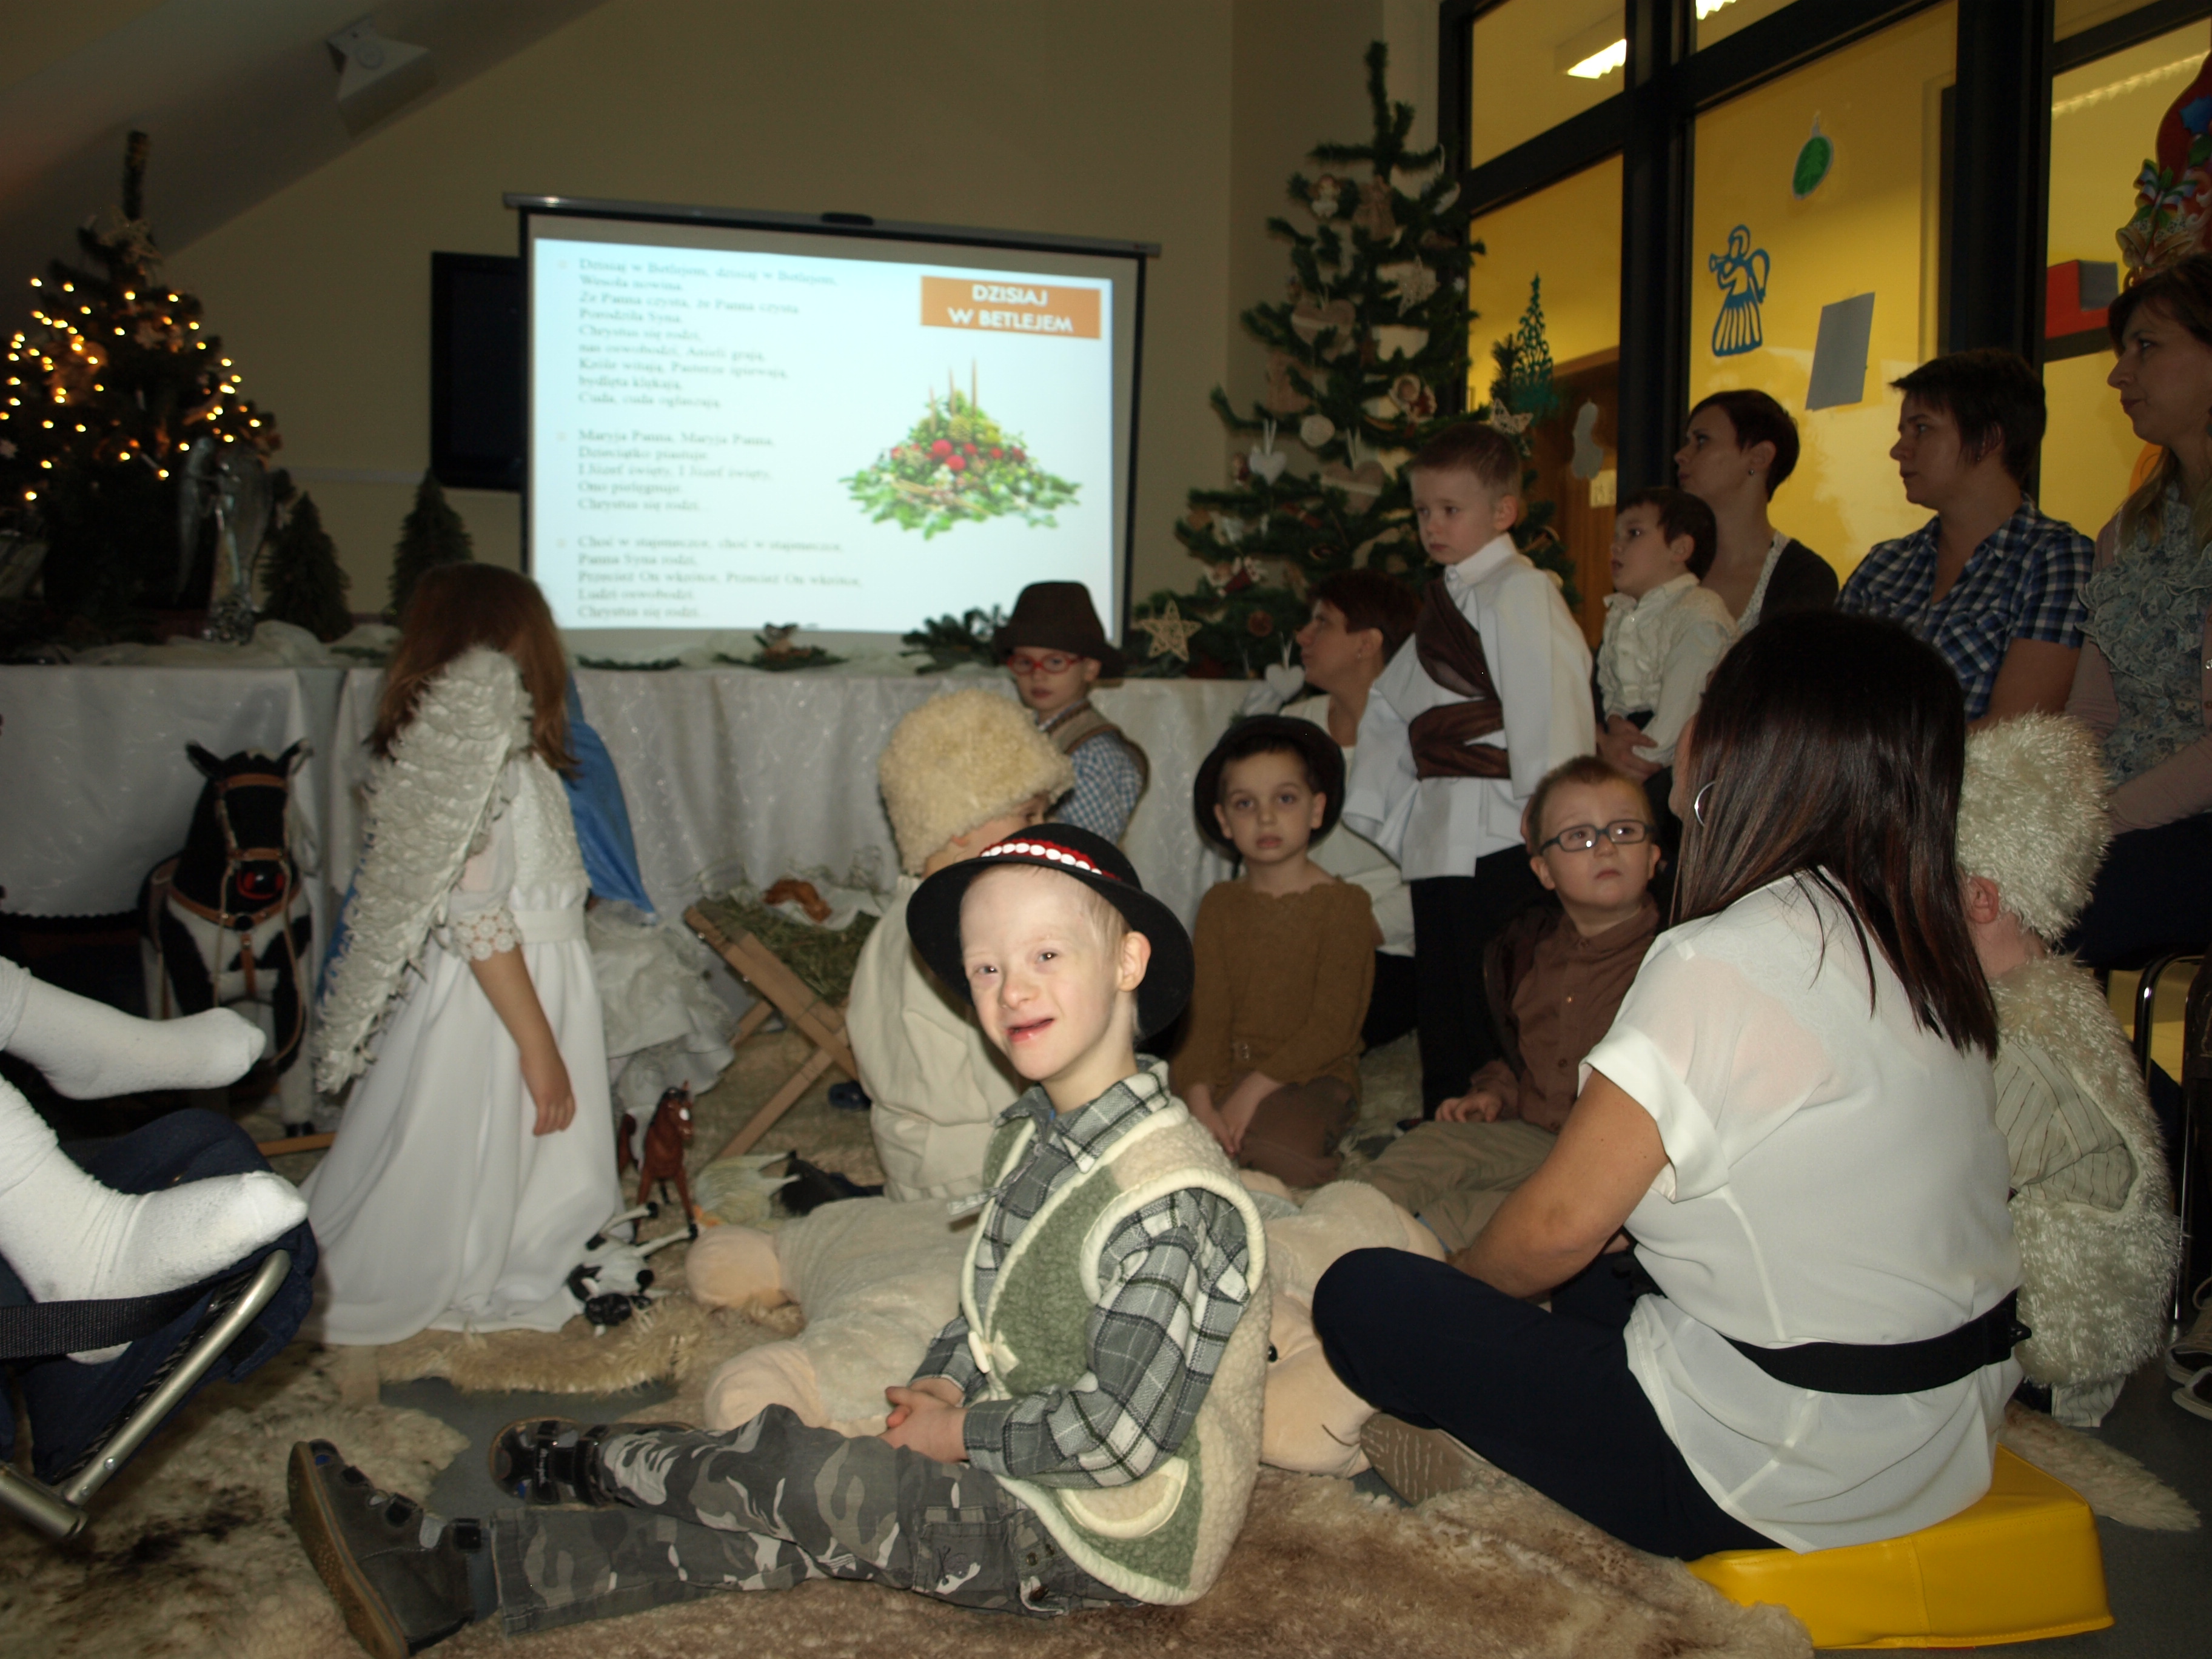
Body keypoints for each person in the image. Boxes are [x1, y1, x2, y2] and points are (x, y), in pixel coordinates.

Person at [286, 825, 1270, 1654]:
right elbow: (992, 1310)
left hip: (1099, 1534)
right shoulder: (1036, 1135)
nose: (1011, 989)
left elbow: (1118, 1436)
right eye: (985, 967)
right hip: (1027, 1462)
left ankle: (611, 1464)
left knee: (807, 1475)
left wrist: (957, 1435)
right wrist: (944, 1382)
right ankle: (459, 1578)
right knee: (788, 1528)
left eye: (1046, 955)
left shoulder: (1172, 1199)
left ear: (1128, 962)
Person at [1316, 612, 2022, 1560]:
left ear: (1749, 750)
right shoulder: (1916, 937)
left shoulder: (1720, 956)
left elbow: (1557, 1227)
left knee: (1364, 1294)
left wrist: (1464, 1296)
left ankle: (1495, 1459)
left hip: (1779, 1465)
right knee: (1607, 1274)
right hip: (1948, 1430)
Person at [304, 563, 621, 1344]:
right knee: (488, 1136)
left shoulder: (515, 756)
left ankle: (532, 1233)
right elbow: (477, 913)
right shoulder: (479, 761)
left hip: (538, 976)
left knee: (536, 1151)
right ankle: (485, 1252)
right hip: (502, 1000)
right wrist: (539, 1046)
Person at [1344, 421, 1595, 1114]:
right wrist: (1394, 802)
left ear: (1503, 511)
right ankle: (1443, 1114)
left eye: (1450, 509)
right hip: (1440, 827)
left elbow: (1548, 697)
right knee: (1444, 986)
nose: (1432, 525)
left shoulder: (1522, 590)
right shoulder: (1446, 599)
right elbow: (1392, 706)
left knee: (1500, 984)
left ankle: (1503, 1121)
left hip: (1504, 827)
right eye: (1423, 511)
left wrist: (1553, 813)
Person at [1955, 715, 2179, 1427]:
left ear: (1981, 897)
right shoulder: (2048, 997)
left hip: (2044, 1367)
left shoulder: (2022, 1048)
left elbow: (1939, 1194)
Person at [1356, 757, 1660, 1253]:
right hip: (1534, 1135)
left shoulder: (1670, 960)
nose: (1605, 846)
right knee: (1430, 1146)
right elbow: (1527, 1058)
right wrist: (1494, 1093)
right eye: (1579, 836)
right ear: (1543, 870)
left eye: (1624, 830)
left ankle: (1412, 1252)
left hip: (1611, 1162)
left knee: (1486, 1215)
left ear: (1653, 856)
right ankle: (1333, 1221)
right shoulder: (1526, 955)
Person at [850, 686, 1073, 1201]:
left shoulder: (892, 924)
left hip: (909, 1164)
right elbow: (1008, 1066)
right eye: (1029, 815)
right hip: (980, 1168)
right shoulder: (969, 930)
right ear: (960, 824)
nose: (1045, 829)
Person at [2065, 253, 2212, 971]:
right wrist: (2052, 804)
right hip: (2128, 814)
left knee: (2026, 911)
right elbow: (2092, 716)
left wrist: (2100, 821)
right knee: (1965, 881)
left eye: (2146, 347)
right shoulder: (2128, 530)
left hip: (2187, 819)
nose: (2119, 376)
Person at [1838, 347, 2090, 725]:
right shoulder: (1885, 564)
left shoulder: (2056, 560)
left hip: (1969, 765)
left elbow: (2014, 729)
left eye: (1922, 429)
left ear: (1988, 439)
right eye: (1903, 432)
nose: (1899, 450)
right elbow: (1823, 697)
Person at [1175, 716, 1374, 1187]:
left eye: (1285, 799)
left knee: (1283, 1157)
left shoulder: (1345, 906)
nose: (1265, 818)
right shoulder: (1220, 904)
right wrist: (1199, 1099)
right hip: (1225, 1067)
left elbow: (1333, 1027)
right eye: (1245, 804)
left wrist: (1250, 1094)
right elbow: (1204, 1015)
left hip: (1308, 1074)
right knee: (1167, 1139)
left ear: (1316, 809)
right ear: (1224, 820)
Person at [1285, 569, 1422, 1050]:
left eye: (1322, 623)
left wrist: (1356, 929)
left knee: (1300, 1024)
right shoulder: (1293, 727)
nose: (1303, 636)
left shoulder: (1418, 740)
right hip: (1295, 932)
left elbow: (1434, 879)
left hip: (1384, 946)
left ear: (1367, 644)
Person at [1593, 486, 1737, 860]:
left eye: (1634, 533)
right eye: (1616, 536)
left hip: (1679, 757)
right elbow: (1609, 682)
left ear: (1680, 549)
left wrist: (1624, 763)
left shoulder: (1699, 612)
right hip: (1632, 744)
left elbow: (1683, 707)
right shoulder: (1621, 613)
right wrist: (1614, 719)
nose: (1616, 546)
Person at [994, 581, 1148, 841]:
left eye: (1055, 662)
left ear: (1090, 669)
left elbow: (1090, 843)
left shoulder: (1091, 753)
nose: (1037, 674)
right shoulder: (1029, 735)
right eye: (1025, 662)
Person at [1673, 388, 1837, 628]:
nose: (1680, 455)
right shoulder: (1666, 558)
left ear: (1760, 456)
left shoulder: (1804, 577)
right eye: (1687, 442)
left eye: (1702, 441)